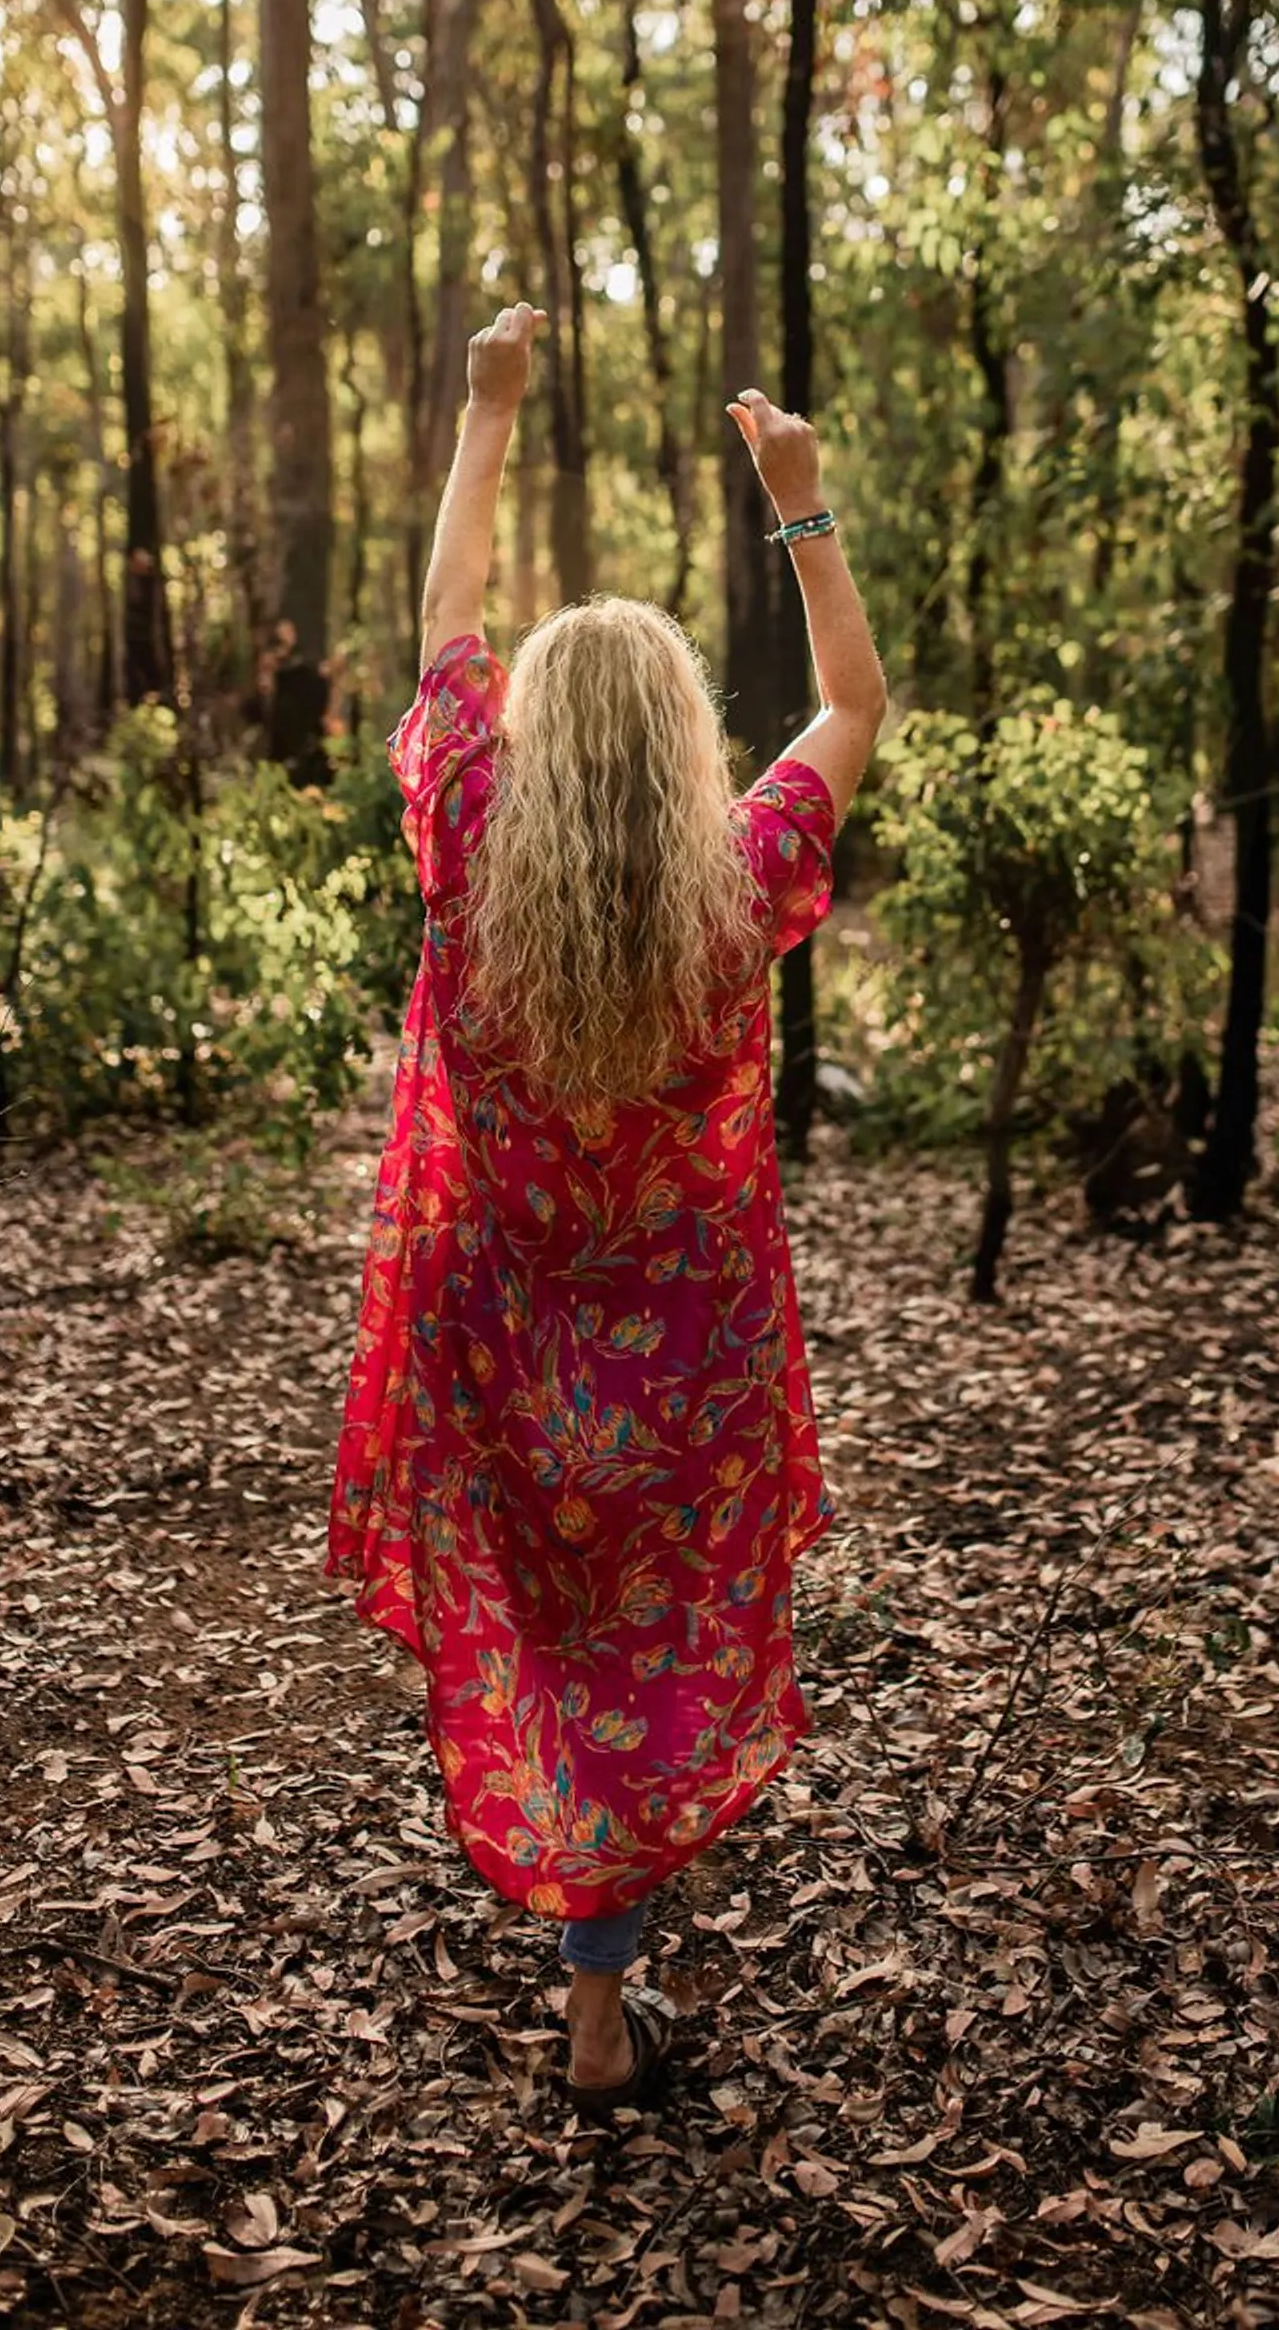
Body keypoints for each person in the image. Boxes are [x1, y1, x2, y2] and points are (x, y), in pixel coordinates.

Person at [327, 301, 886, 2115]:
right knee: (648, 1639)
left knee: (549, 1636)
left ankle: (588, 1973)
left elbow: (443, 635)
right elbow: (856, 703)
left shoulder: (471, 839)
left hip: (500, 1349)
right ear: (682, 748)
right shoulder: (748, 880)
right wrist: (797, 503)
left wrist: (484, 410)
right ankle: (602, 1981)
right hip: (692, 1375)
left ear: (541, 743)